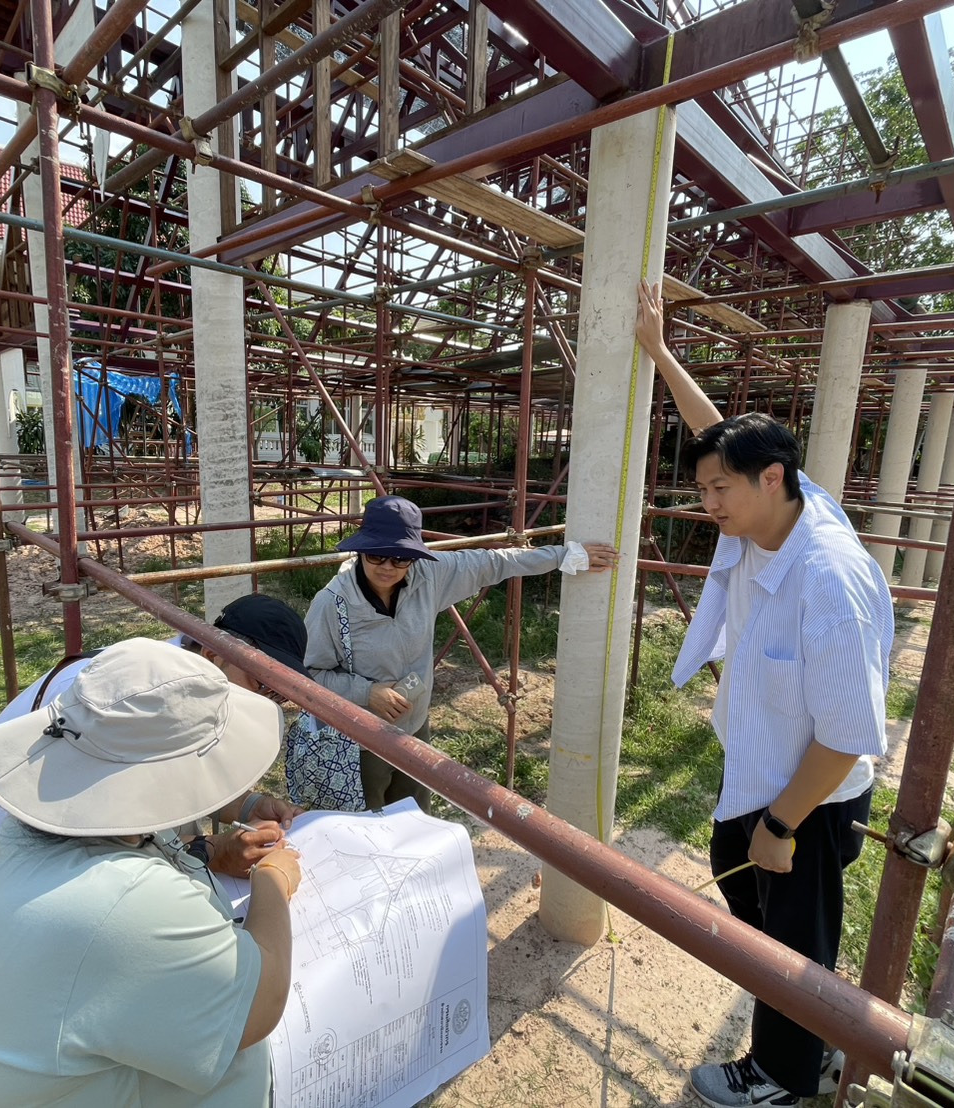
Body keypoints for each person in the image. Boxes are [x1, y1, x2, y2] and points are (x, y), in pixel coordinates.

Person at [636, 281, 892, 1108]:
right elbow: (722, 438)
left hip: (807, 797)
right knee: (751, 902)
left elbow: (850, 732)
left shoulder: (825, 579)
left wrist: (782, 823)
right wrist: (661, 354)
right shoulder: (774, 510)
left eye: (718, 491)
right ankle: (803, 1046)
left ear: (773, 479)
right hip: (761, 767)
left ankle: (786, 1075)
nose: (705, 504)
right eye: (703, 488)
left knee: (793, 938)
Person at [0, 637, 300, 1107]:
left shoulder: (37, 833)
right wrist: (275, 879)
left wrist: (210, 850)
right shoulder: (126, 899)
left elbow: (147, 849)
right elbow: (257, 1006)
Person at [0, 593, 309, 948]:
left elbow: (162, 780)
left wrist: (245, 806)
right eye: (262, 684)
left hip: (56, 840)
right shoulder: (138, 698)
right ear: (212, 653)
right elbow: (119, 827)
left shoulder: (172, 680)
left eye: (279, 694)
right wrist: (216, 856)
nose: (265, 699)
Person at [302, 494, 617, 812]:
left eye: (400, 557)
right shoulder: (332, 603)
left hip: (413, 728)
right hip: (360, 739)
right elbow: (309, 674)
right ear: (360, 550)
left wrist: (566, 556)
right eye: (376, 556)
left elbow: (496, 563)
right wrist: (368, 692)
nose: (387, 567)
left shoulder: (429, 577)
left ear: (414, 555)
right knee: (365, 828)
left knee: (414, 819)